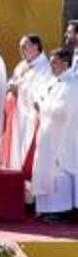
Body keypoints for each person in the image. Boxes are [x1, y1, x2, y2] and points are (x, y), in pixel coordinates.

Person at [27, 48, 78, 223]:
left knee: (59, 172)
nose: (50, 65)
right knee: (46, 169)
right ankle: (46, 208)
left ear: (65, 63)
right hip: (48, 133)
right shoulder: (54, 81)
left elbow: (63, 110)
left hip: (62, 137)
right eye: (50, 61)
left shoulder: (72, 84)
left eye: (54, 62)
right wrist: (40, 103)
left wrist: (44, 106)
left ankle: (59, 211)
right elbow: (42, 97)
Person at [0, 34, 50, 170]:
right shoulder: (22, 65)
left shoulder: (45, 68)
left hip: (30, 116)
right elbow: (13, 80)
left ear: (36, 47)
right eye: (20, 47)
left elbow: (41, 93)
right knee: (15, 147)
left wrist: (19, 90)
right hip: (16, 112)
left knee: (26, 146)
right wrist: (11, 86)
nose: (21, 50)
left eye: (24, 47)